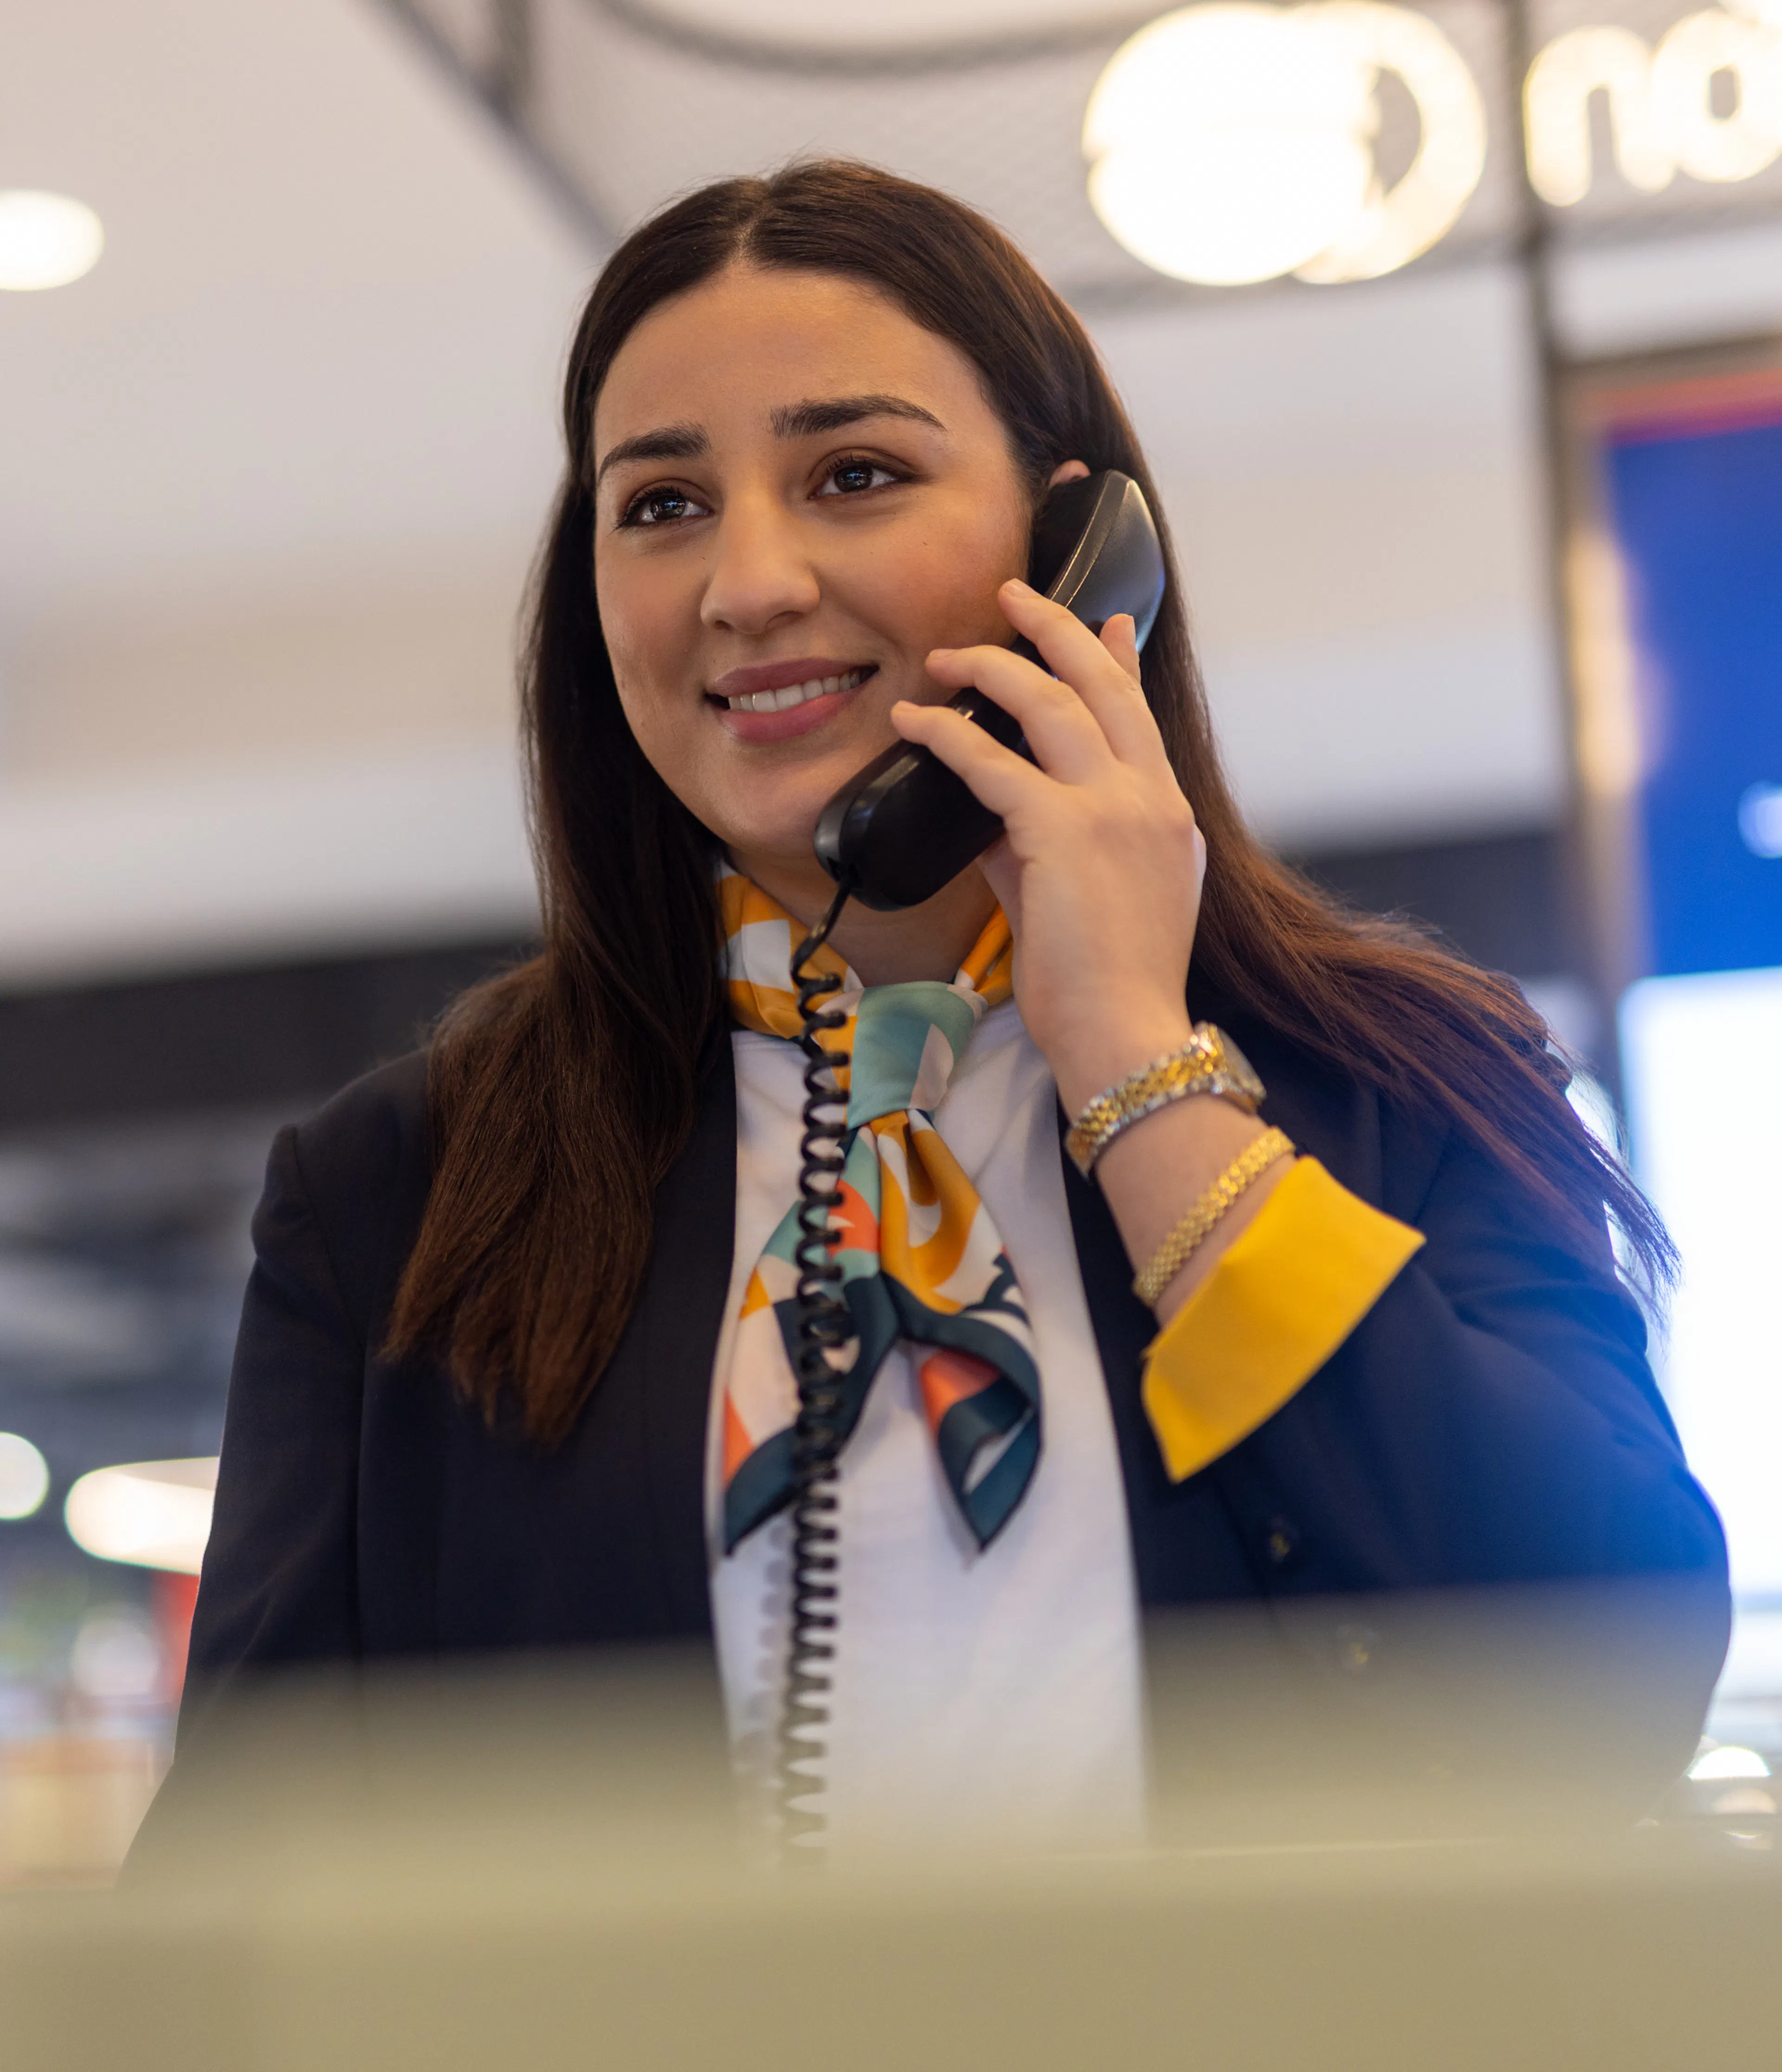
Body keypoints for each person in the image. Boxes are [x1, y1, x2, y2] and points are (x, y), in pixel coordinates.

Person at [166, 162, 1726, 1848]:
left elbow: (1611, 1686)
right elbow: (246, 1901)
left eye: (854, 473)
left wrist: (1138, 1064)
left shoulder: (1397, 1079)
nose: (746, 582)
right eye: (662, 504)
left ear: (1076, 555)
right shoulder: (395, 1196)